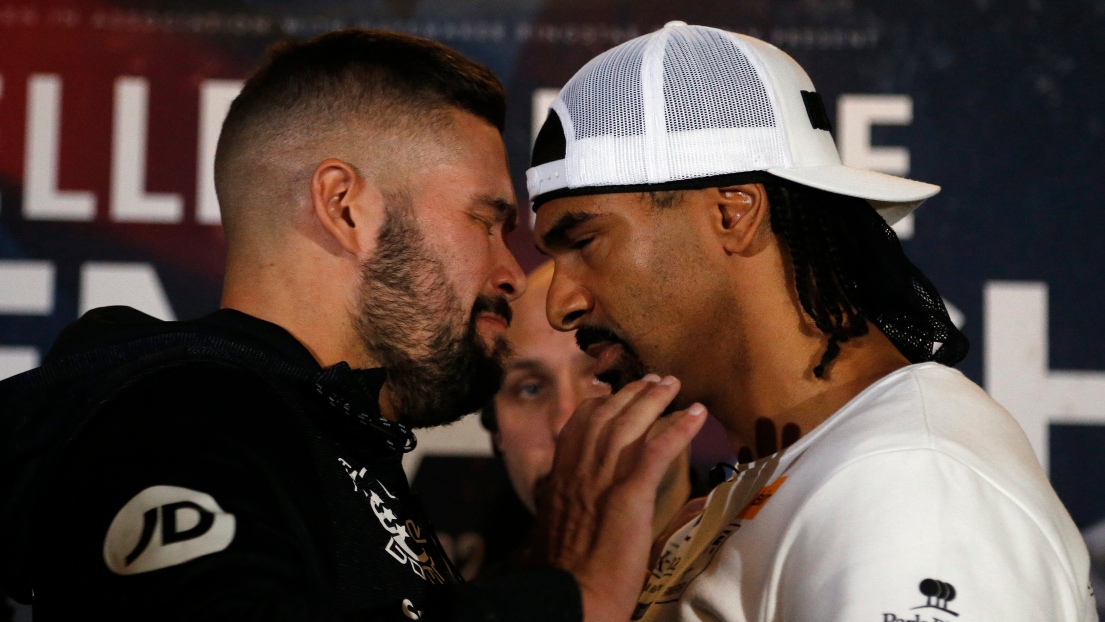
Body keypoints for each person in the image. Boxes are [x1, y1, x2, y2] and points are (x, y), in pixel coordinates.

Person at [0, 29, 704, 621]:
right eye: (484, 223)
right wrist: (568, 597)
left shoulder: (313, 433)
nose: (511, 274)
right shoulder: (179, 418)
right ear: (345, 207)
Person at [528, 22, 1097, 621]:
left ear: (733, 213)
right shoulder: (806, 478)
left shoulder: (904, 484)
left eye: (585, 241)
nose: (559, 303)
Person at [480, 261, 706, 561]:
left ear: (680, 388)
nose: (565, 423)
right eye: (530, 389)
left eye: (602, 375)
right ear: (496, 432)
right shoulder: (468, 603)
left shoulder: (766, 559)